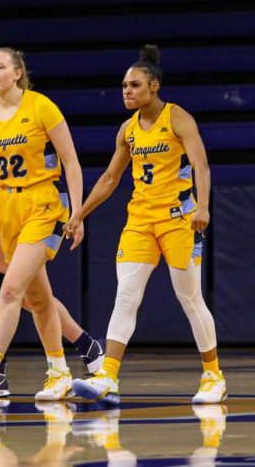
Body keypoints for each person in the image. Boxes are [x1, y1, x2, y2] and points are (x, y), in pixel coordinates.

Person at [0, 25, 104, 397]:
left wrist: (77, 212)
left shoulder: (41, 105)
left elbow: (71, 161)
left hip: (43, 203)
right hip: (7, 206)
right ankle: (60, 371)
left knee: (8, 289)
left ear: (18, 72)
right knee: (38, 299)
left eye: (0, 68)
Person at [68, 44, 226, 406]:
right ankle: (107, 376)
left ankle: (213, 375)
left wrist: (203, 206)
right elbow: (110, 178)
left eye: (134, 85)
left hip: (179, 220)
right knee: (126, 295)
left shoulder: (179, 118)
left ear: (153, 87)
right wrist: (79, 214)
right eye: (124, 85)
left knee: (189, 298)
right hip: (140, 221)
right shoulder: (127, 130)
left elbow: (202, 166)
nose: (127, 91)